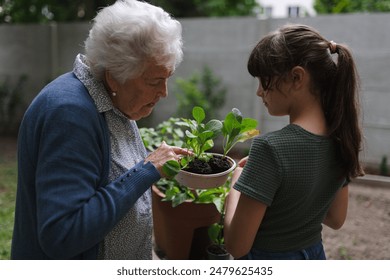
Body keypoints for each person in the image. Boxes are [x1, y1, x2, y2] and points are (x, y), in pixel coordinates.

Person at [11, 0, 189, 260]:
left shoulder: (110, 100)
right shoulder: (69, 114)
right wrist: (146, 170)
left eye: (167, 78)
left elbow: (102, 173)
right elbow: (63, 234)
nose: (164, 92)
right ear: (114, 75)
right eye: (154, 81)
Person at [224, 24, 364, 260]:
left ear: (297, 77)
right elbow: (336, 219)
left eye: (264, 80)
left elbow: (236, 246)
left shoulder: (269, 148)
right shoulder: (342, 139)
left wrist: (235, 186)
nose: (259, 92)